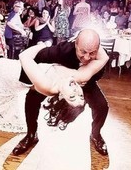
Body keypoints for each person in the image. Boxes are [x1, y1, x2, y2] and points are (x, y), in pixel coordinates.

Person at [12, 28, 110, 156]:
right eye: (83, 51)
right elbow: (36, 58)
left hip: (86, 83)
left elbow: (99, 68)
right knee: (31, 97)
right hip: (60, 81)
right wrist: (32, 82)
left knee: (102, 106)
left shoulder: (101, 56)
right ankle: (31, 134)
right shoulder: (61, 51)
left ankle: (96, 135)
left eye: (92, 53)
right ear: (76, 44)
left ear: (98, 49)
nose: (87, 57)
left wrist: (83, 82)